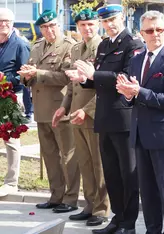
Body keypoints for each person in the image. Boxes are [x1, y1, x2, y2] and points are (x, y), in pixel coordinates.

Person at [67, 4, 144, 234]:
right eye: (105, 21)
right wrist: (84, 79)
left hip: (124, 118)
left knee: (127, 174)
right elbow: (97, 80)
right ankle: (117, 219)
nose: (109, 25)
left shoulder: (133, 43)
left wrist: (94, 74)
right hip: (104, 118)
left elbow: (128, 77)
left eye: (113, 20)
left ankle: (128, 224)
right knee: (111, 173)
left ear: (122, 18)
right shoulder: (105, 45)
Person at [116, 10, 164, 234]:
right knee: (146, 191)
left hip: (163, 136)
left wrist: (138, 91)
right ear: (141, 33)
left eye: (159, 29)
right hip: (140, 133)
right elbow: (134, 96)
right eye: (150, 30)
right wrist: (127, 94)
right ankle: (152, 229)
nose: (155, 34)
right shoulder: (137, 59)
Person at [18, 10, 80, 213]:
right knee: (49, 155)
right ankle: (56, 195)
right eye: (44, 27)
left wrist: (38, 73)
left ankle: (70, 199)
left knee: (67, 154)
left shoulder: (69, 46)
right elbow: (28, 72)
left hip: (60, 107)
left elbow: (67, 77)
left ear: (59, 25)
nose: (48, 30)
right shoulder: (37, 46)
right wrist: (26, 76)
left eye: (52, 25)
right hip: (41, 108)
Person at [53, 9, 110, 226]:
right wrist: (63, 107)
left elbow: (103, 87)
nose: (87, 28)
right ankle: (89, 204)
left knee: (98, 164)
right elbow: (72, 83)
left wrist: (86, 110)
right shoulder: (77, 48)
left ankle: (102, 208)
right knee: (85, 163)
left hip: (94, 113)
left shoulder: (103, 47)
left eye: (91, 24)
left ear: (98, 25)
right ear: (77, 27)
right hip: (76, 113)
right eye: (83, 24)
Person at [0, 8, 30, 197]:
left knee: (11, 140)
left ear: (13, 23)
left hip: (10, 97)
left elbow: (26, 75)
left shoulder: (20, 44)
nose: (3, 24)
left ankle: (11, 182)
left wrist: (5, 78)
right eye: (0, 21)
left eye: (7, 21)